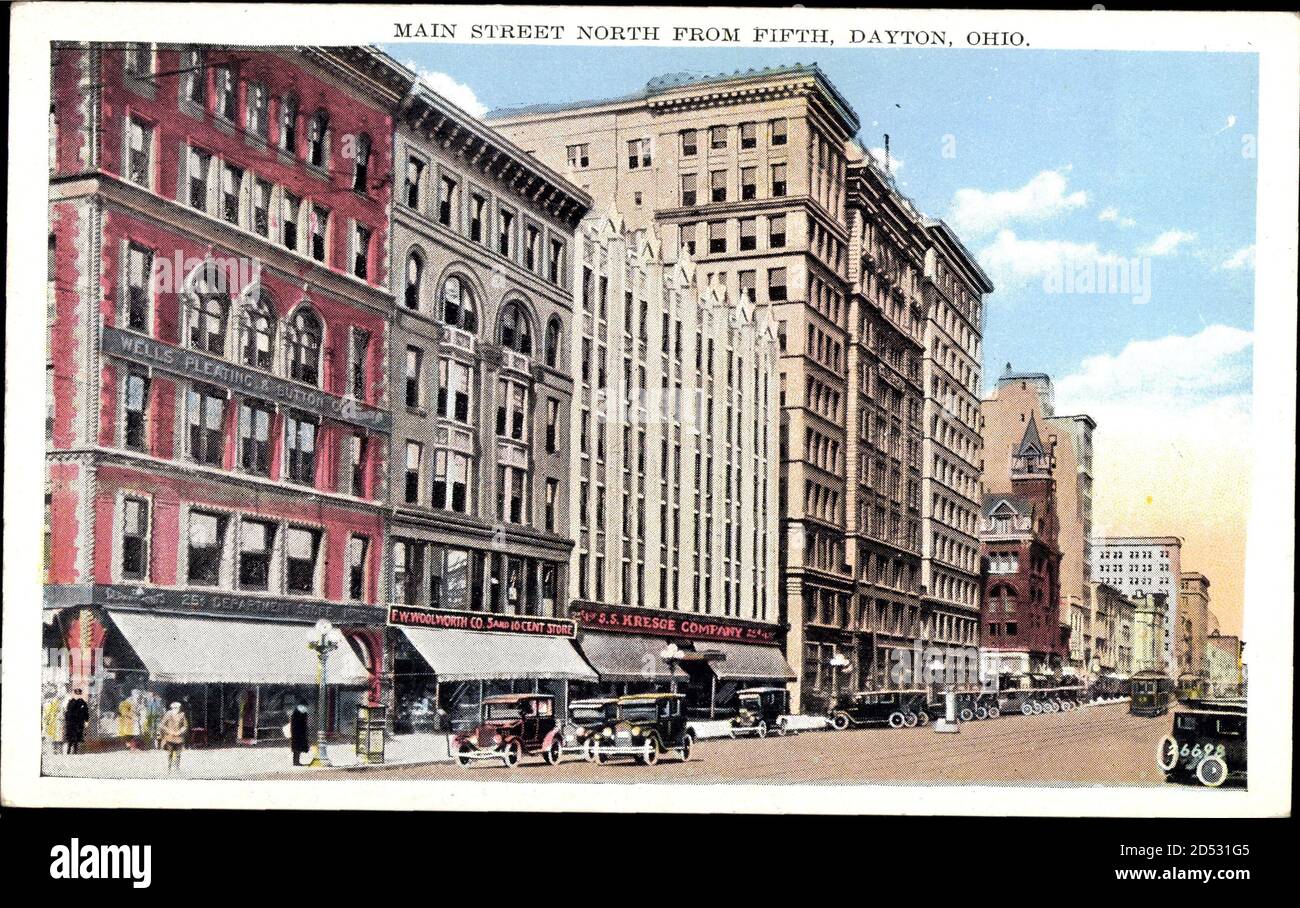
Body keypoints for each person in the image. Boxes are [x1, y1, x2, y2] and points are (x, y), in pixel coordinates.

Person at [157, 702, 189, 773]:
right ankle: (169, 767)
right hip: (169, 737)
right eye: (175, 708)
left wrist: (180, 732)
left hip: (179, 737)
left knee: (178, 754)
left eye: (178, 708)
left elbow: (185, 725)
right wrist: (169, 731)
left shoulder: (182, 714)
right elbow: (162, 725)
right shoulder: (168, 714)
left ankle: (177, 768)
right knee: (170, 753)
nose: (177, 709)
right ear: (172, 708)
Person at [64, 689, 90, 754]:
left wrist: (86, 720)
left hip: (79, 722)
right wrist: (67, 721)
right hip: (71, 722)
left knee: (77, 736)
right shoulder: (71, 702)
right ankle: (69, 749)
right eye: (76, 694)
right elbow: (67, 712)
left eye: (79, 694)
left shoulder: (83, 702)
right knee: (71, 736)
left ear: (80, 694)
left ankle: (75, 750)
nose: (77, 695)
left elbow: (86, 712)